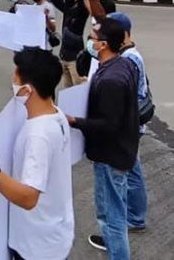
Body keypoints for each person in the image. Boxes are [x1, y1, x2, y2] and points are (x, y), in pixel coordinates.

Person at [0, 48, 73, 260]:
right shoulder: (57, 114)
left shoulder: (38, 135)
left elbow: (28, 198)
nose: (12, 84)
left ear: (27, 90)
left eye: (15, 79)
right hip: (55, 233)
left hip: (36, 246)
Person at [67, 18, 139, 259]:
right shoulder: (120, 65)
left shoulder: (111, 79)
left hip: (111, 156)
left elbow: (108, 125)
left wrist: (75, 121)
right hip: (119, 151)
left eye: (93, 38)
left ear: (104, 45)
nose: (90, 41)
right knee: (112, 212)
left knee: (112, 218)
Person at [48, 0, 105, 87]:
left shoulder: (82, 11)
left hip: (75, 59)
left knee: (78, 91)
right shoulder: (66, 9)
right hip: (64, 56)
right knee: (67, 92)